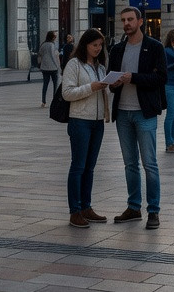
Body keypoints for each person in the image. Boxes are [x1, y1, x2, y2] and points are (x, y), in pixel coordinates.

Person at [107, 6, 168, 229]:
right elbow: (111, 79)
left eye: (130, 19)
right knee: (129, 164)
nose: (127, 24)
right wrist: (112, 84)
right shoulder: (117, 49)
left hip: (145, 112)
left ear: (140, 21)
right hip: (122, 112)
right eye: (123, 20)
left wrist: (134, 78)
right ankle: (133, 207)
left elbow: (161, 77)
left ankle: (153, 211)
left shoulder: (154, 47)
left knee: (149, 164)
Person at [61, 28, 111, 228]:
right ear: (85, 45)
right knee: (78, 166)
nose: (98, 49)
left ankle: (86, 206)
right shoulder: (74, 64)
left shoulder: (100, 66)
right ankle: (75, 211)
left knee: (90, 167)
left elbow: (103, 91)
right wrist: (91, 87)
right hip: (80, 120)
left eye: (100, 45)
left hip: (97, 122)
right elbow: (67, 93)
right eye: (94, 45)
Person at [38, 30, 60, 108]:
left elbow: (40, 53)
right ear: (52, 37)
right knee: (55, 85)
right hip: (53, 68)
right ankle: (55, 101)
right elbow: (53, 56)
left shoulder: (43, 45)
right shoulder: (52, 45)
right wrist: (57, 65)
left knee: (45, 85)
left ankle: (43, 101)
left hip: (44, 67)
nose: (55, 37)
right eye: (55, 36)